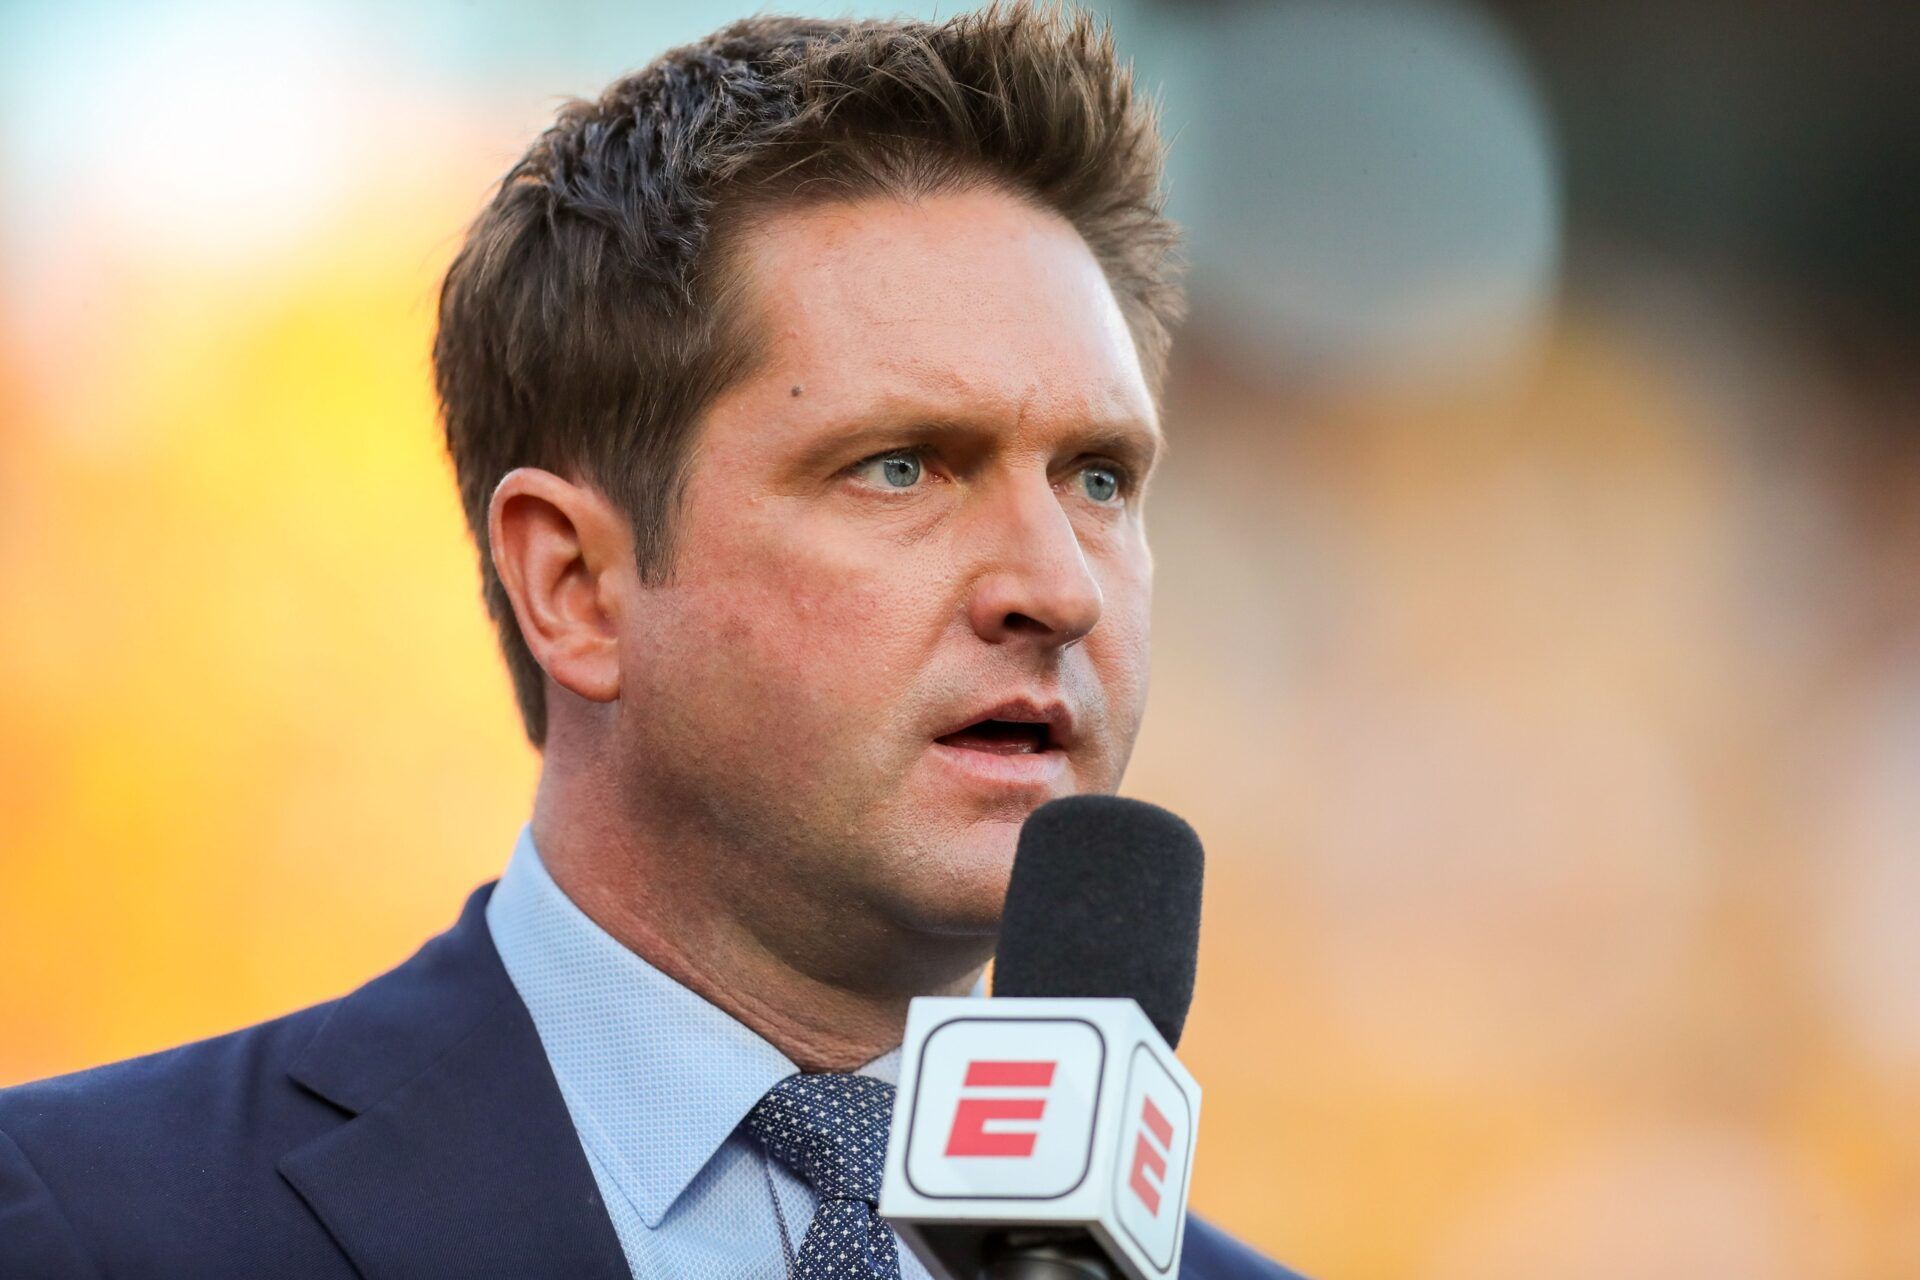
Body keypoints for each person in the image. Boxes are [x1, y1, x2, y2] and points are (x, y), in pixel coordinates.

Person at [0, 5, 1304, 1277]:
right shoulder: (83, 1225)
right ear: (573, 584)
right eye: (902, 467)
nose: (1057, 590)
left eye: (1098, 479)